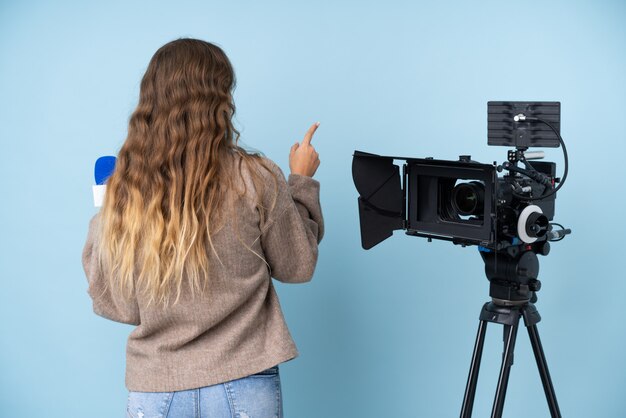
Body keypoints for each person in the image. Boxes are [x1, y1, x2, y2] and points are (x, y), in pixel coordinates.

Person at [81, 38, 323, 418]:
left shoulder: (127, 191)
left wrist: (107, 213)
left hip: (155, 389)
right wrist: (301, 181)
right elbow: (298, 265)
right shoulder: (255, 177)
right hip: (245, 382)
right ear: (220, 100)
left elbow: (117, 304)